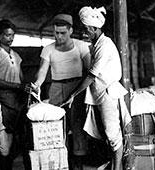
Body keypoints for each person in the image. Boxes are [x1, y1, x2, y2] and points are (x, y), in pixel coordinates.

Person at [60, 6, 131, 170]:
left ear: (94, 28)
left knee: (113, 134)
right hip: (99, 94)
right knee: (106, 133)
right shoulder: (96, 45)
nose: (85, 33)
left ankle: (118, 167)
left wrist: (73, 94)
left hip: (107, 94)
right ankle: (114, 165)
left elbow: (92, 76)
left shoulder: (104, 45)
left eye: (86, 30)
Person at [32, 14, 91, 170]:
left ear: (70, 30)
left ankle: (78, 166)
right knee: (56, 127)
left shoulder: (81, 46)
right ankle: (60, 163)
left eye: (63, 33)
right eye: (56, 33)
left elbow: (91, 69)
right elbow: (43, 71)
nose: (59, 36)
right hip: (57, 88)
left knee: (77, 127)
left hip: (77, 87)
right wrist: (37, 84)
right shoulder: (48, 49)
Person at [0, 19, 30, 170]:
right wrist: (18, 86)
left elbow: (22, 78)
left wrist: (27, 86)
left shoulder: (16, 56)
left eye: (12, 35)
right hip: (1, 99)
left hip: (17, 100)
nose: (10, 38)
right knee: (3, 139)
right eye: (7, 35)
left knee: (21, 138)